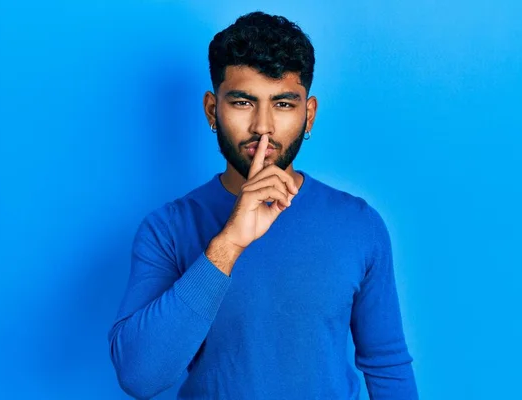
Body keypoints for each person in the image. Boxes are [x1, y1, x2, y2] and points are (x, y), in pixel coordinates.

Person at [108, 11, 418, 400]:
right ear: (211, 110)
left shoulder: (359, 225)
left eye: (284, 104)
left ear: (309, 114)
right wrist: (229, 244)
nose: (263, 126)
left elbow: (387, 367)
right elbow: (140, 377)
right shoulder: (168, 228)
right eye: (242, 102)